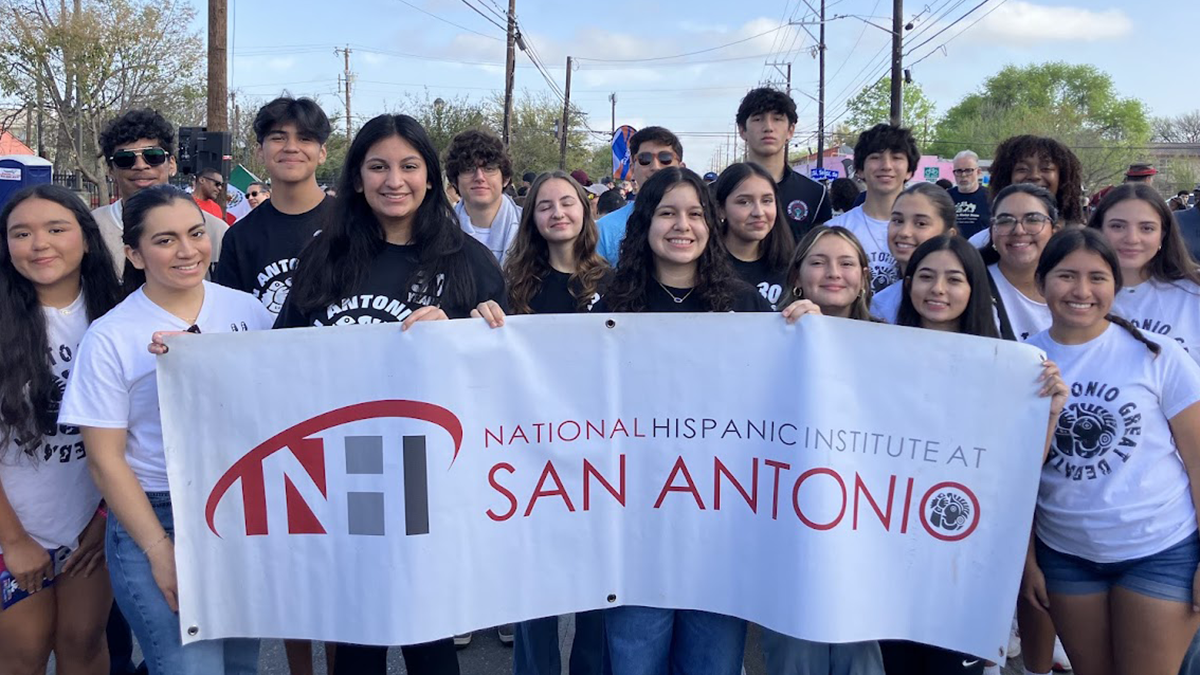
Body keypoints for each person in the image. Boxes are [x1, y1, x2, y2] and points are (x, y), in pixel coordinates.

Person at [276, 113, 507, 675]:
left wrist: (469, 330)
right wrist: (186, 355)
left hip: (434, 480)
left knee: (430, 641)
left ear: (432, 177)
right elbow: (278, 358)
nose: (394, 180)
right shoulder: (323, 256)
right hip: (343, 478)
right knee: (357, 645)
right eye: (377, 166)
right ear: (357, 178)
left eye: (409, 166)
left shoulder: (467, 260)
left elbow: (506, 377)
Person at [595, 166, 805, 675]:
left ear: (711, 225)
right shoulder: (609, 307)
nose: (681, 225)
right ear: (643, 224)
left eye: (694, 214)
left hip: (722, 528)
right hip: (636, 527)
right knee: (634, 662)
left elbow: (786, 400)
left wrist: (811, 339)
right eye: (666, 213)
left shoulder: (747, 306)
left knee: (712, 663)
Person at [59, 185, 267, 674]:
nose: (187, 250)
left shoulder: (248, 311)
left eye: (196, 233)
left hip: (239, 512)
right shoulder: (111, 335)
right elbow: (105, 459)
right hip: (156, 514)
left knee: (240, 667)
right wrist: (158, 548)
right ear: (133, 253)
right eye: (165, 240)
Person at [1023, 228, 1200, 675]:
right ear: (1041, 283)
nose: (1082, 291)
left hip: (1161, 550)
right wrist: (1027, 564)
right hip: (1066, 556)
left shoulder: (1157, 354)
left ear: (1115, 286)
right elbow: (1011, 482)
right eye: (1066, 276)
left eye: (1097, 278)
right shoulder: (1022, 361)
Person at [892, 234, 1068, 675]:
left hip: (961, 557)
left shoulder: (1010, 366)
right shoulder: (877, 352)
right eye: (926, 277)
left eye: (954, 279)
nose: (938, 290)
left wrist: (1047, 414)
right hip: (889, 552)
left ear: (974, 290)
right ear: (908, 284)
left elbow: (1020, 468)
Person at [470, 171, 611, 675]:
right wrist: (480, 319)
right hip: (531, 457)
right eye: (545, 205)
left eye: (567, 203)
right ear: (532, 219)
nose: (558, 213)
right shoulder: (510, 287)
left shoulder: (613, 283)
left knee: (599, 591)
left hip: (600, 458)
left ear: (584, 211)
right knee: (534, 591)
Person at [0, 185, 121, 675]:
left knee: (84, 644)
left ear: (86, 239)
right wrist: (15, 540)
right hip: (15, 528)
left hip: (91, 524)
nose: (39, 244)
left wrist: (104, 518)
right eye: (21, 233)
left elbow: (140, 433)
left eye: (55, 229)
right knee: (23, 653)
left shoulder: (117, 318)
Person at [764, 224, 885, 674]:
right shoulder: (769, 337)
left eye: (846, 263)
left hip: (866, 527)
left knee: (860, 653)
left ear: (864, 276)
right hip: (790, 525)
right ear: (798, 274)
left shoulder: (896, 343)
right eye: (818, 262)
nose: (833, 273)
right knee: (796, 652)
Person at [215, 97, 334, 319]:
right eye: (278, 138)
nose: (291, 148)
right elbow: (228, 321)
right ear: (260, 151)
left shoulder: (354, 223)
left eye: (305, 138)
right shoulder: (239, 237)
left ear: (322, 153)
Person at [92, 109, 229, 278]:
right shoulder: (91, 228)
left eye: (153, 156)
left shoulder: (215, 231)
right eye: (125, 159)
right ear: (110, 170)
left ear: (172, 164)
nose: (141, 165)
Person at [1088, 183, 1200, 364]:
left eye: (1147, 228)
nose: (1132, 238)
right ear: (1098, 229)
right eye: (1117, 226)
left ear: (1162, 234)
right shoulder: (1074, 294)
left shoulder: (1193, 292)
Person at [827, 123, 919, 293]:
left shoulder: (926, 231)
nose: (886, 166)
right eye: (875, 157)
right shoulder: (834, 230)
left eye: (897, 157)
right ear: (860, 170)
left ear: (909, 171)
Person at [736, 87, 831, 239]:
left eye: (777, 119)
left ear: (790, 130)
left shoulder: (815, 194)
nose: (768, 128)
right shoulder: (716, 192)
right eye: (758, 119)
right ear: (742, 130)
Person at [870, 182, 958, 323]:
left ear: (948, 234)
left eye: (921, 223)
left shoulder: (966, 300)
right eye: (898, 220)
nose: (904, 232)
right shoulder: (880, 305)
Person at [597, 126, 684, 264]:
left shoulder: (699, 226)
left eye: (665, 158)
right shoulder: (604, 229)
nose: (655, 167)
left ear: (681, 167)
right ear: (632, 168)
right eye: (645, 159)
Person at [714, 162, 795, 309]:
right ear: (721, 209)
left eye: (767, 201)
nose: (758, 212)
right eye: (744, 202)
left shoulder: (792, 267)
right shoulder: (703, 267)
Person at [445, 128, 521, 265]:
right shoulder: (437, 234)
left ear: (505, 178)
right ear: (455, 180)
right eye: (469, 169)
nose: (479, 177)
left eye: (489, 169)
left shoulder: (532, 229)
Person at [948, 150, 991, 239]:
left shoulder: (992, 197)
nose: (963, 175)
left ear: (978, 172)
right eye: (959, 171)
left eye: (968, 170)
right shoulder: (945, 198)